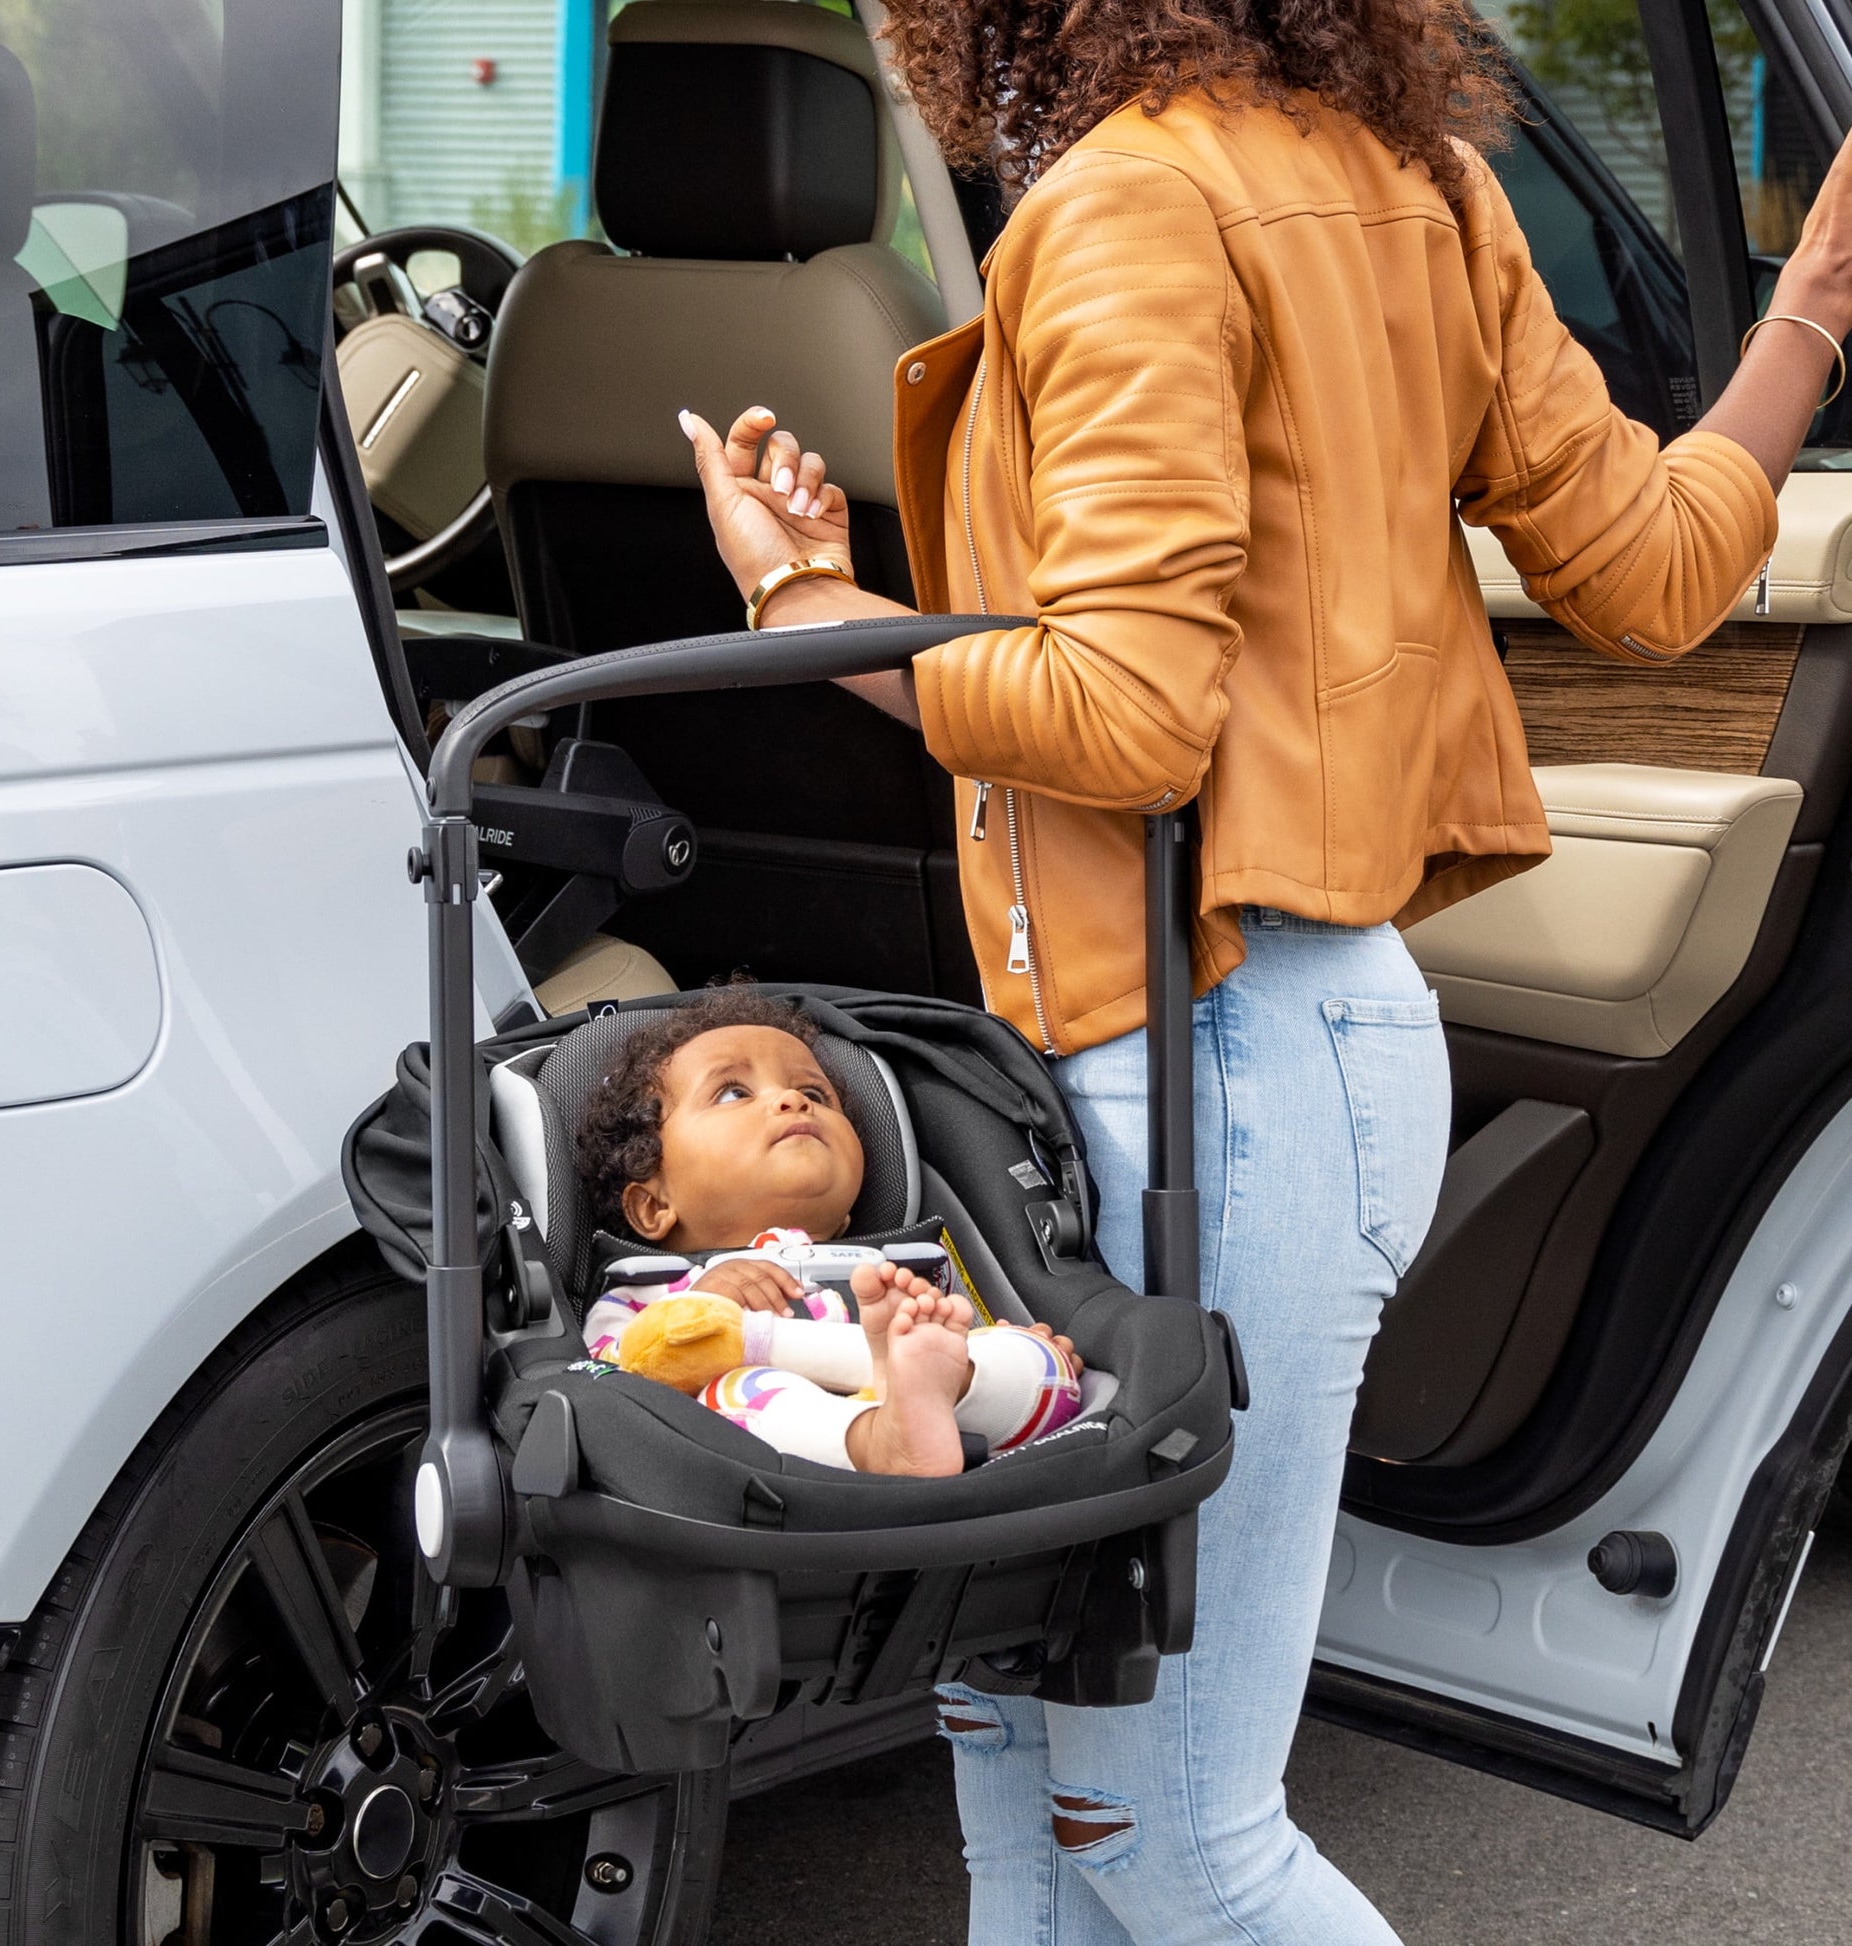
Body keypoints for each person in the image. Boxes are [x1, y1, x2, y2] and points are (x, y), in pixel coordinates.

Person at [673, 0, 1852, 1934]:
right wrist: (1805, 303)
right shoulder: (1426, 187)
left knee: (1165, 1829)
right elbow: (1651, 570)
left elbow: (1130, 718)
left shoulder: (1127, 206)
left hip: (1198, 1067)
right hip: (1266, 1043)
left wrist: (808, 602)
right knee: (1015, 1758)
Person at [574, 986, 1084, 1475]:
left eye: (814, 1091)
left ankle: (919, 1393)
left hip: (926, 1402)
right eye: (733, 1092)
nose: (792, 1100)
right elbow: (615, 1389)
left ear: (844, 1217)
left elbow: (968, 1338)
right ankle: (877, 1441)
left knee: (1033, 1357)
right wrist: (700, 1313)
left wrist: (990, 1355)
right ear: (653, 1206)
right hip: (778, 1460)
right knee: (738, 1392)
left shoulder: (899, 1269)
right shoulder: (646, 1289)